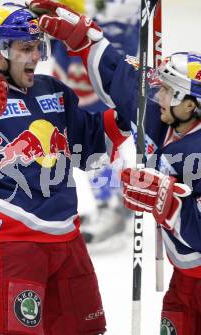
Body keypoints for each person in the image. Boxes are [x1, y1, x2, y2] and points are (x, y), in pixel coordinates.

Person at [26, 2, 201, 332]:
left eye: (170, 92)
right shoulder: (167, 116)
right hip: (189, 276)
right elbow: (123, 78)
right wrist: (87, 39)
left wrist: (165, 199)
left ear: (192, 104)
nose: (160, 97)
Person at [0, 3, 132, 335]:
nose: (35, 57)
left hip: (67, 240)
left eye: (39, 47)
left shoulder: (53, 91)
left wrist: (132, 107)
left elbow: (93, 149)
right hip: (6, 244)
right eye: (25, 48)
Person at [50, 0, 139, 246]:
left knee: (99, 147)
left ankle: (113, 207)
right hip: (78, 63)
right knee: (89, 148)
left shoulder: (122, 15)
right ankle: (113, 204)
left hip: (102, 62)